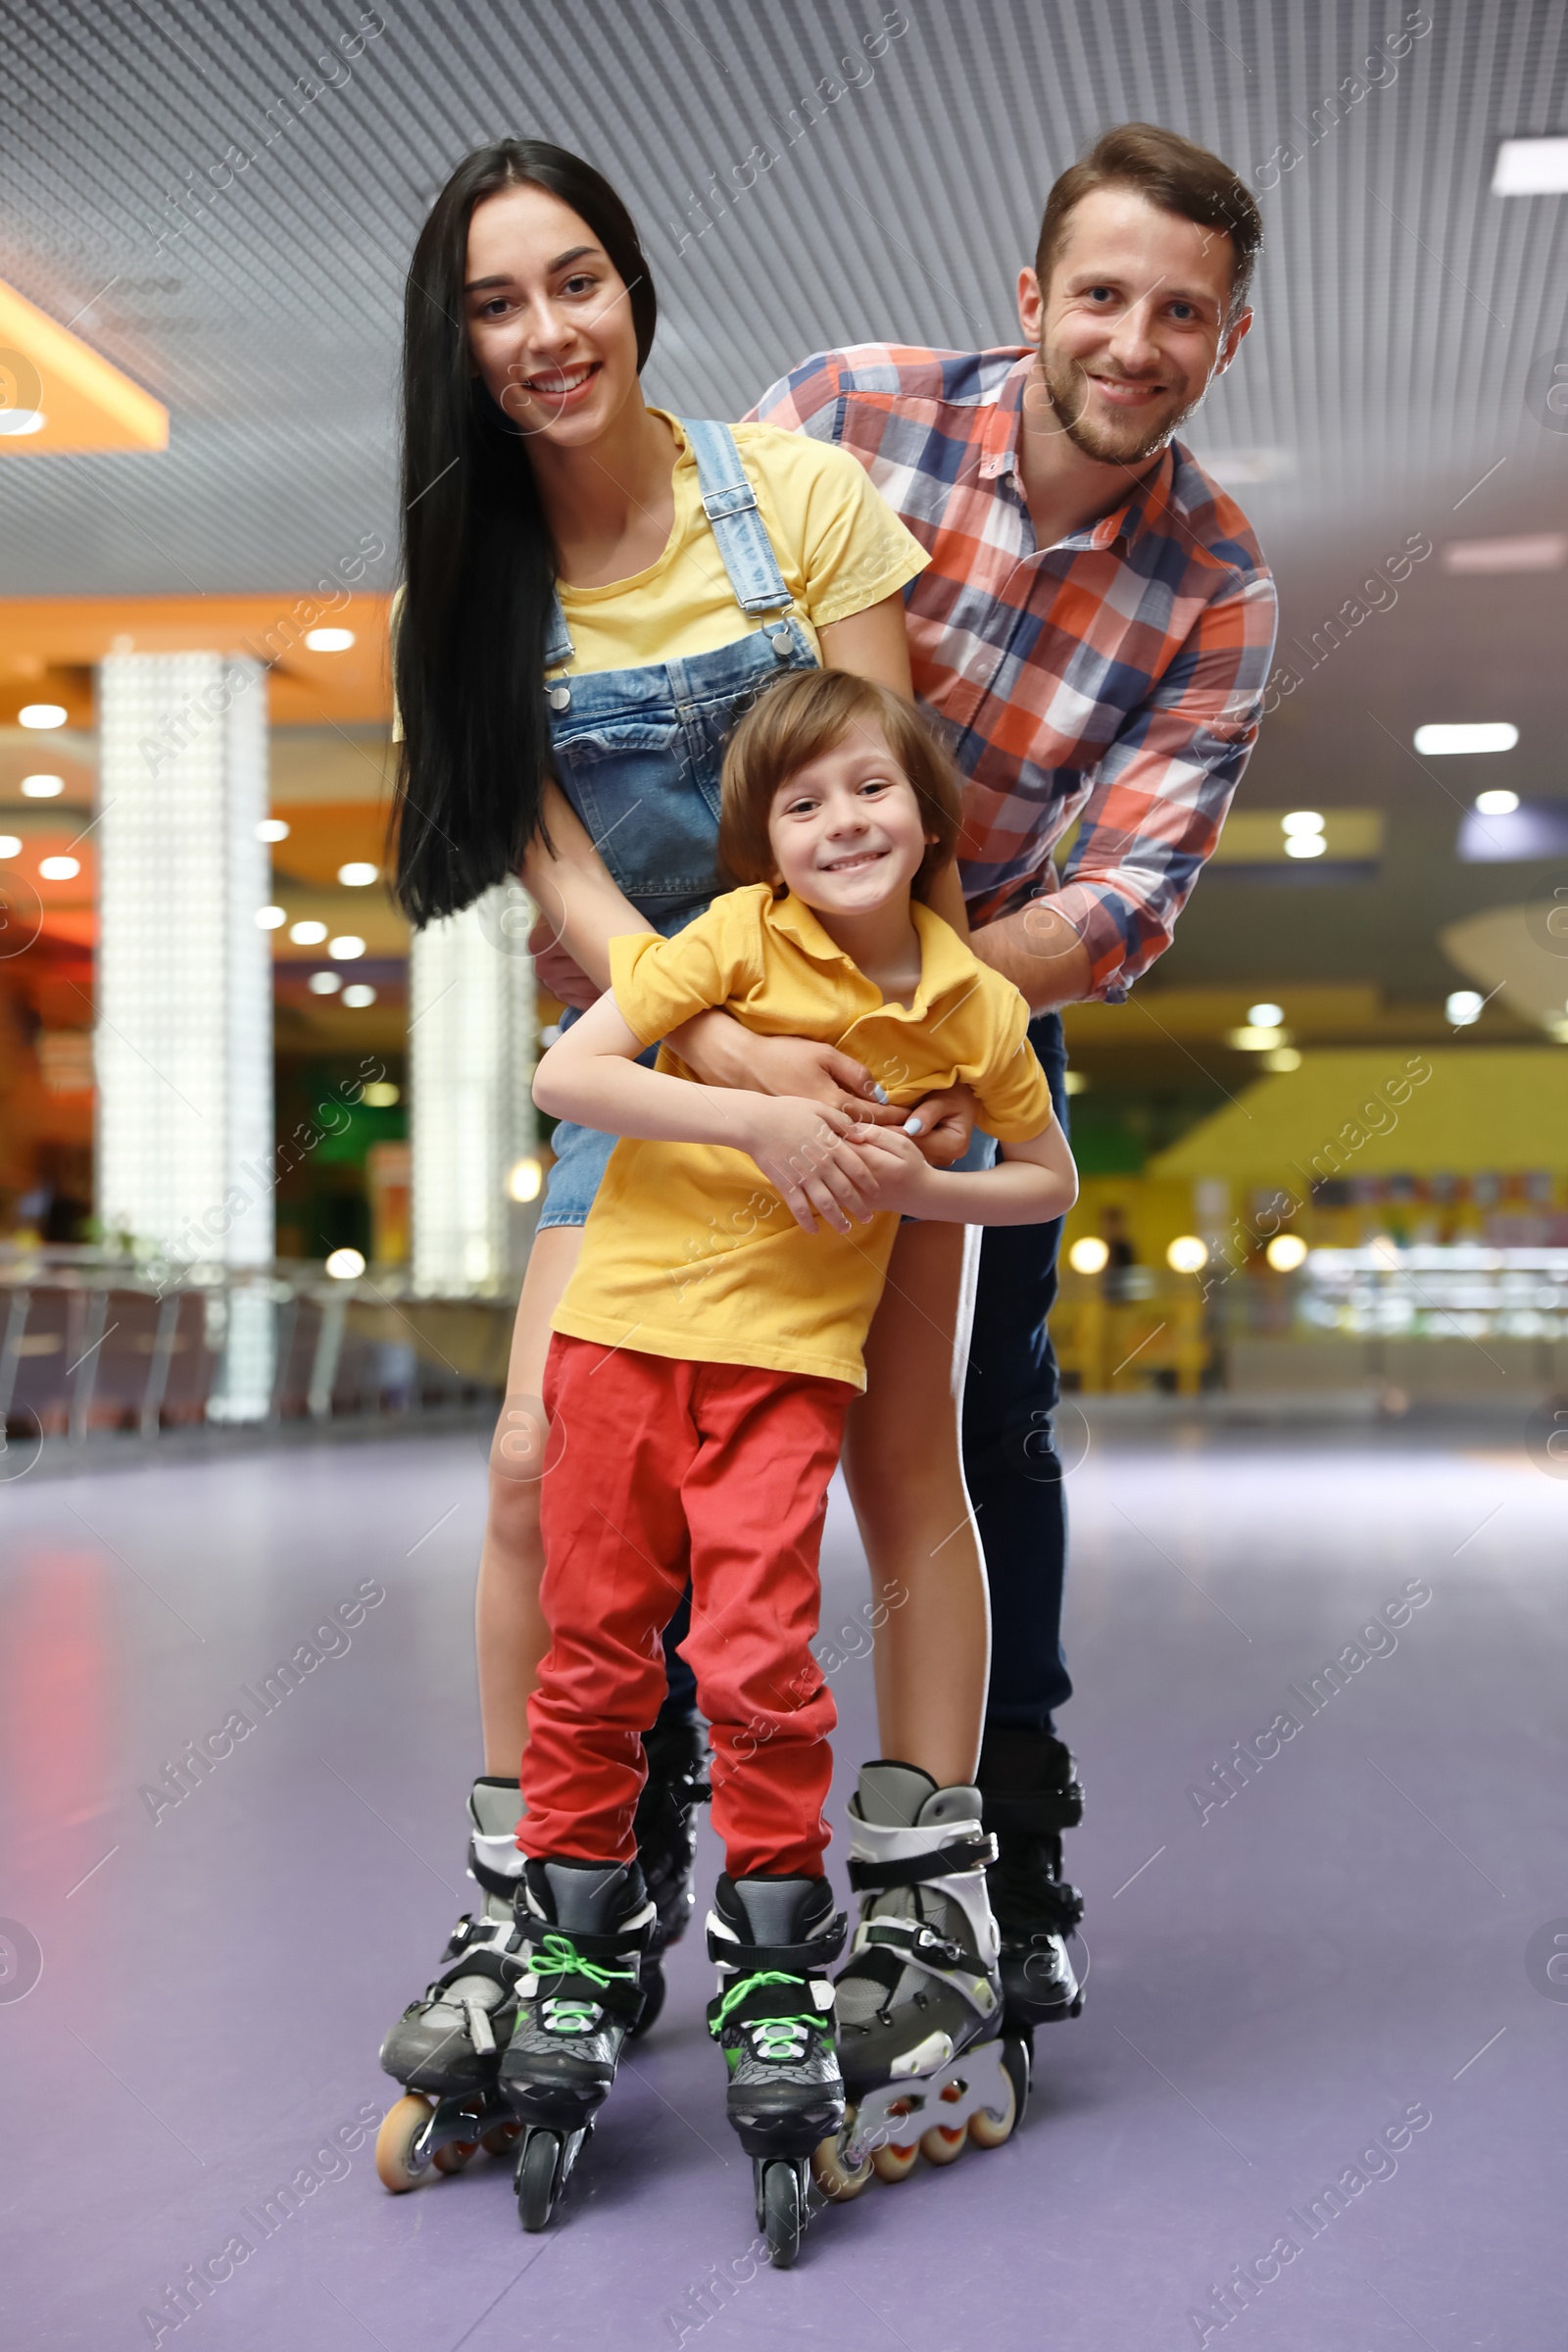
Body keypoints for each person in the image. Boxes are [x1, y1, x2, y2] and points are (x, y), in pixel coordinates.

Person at [376, 139, 1014, 2182]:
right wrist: (710, 1047)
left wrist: (836, 1080)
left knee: (901, 1462)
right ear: (456, 348)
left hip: (866, 1070)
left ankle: (916, 1902)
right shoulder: (465, 580)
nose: (547, 332)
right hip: (654, 1066)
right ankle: (531, 1899)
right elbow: (551, 862)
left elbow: (877, 790)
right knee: (525, 1468)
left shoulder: (794, 499)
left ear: (634, 287)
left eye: (576, 283)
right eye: (496, 306)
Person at [748, 122, 1278, 2028]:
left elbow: (1128, 896)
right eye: (1104, 294)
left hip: (984, 1025)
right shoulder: (842, 412)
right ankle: (640, 1830)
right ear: (1029, 299)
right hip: (740, 993)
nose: (1134, 339)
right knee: (672, 1423)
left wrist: (931, 1014)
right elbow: (694, 676)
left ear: (1223, 339)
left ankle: (1006, 1845)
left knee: (979, 1432)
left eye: (1180, 314)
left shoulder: (1216, 584)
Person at [501, 669, 1077, 2255]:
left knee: (757, 1659)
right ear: (764, 836)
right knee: (598, 1650)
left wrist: (917, 1189)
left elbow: (1044, 1177)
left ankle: (770, 1955)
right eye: (803, 803)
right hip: (618, 1333)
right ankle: (571, 1938)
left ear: (928, 815)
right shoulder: (733, 941)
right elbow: (571, 1075)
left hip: (784, 1368)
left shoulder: (968, 1002)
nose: (840, 824)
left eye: (870, 792)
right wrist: (750, 1124)